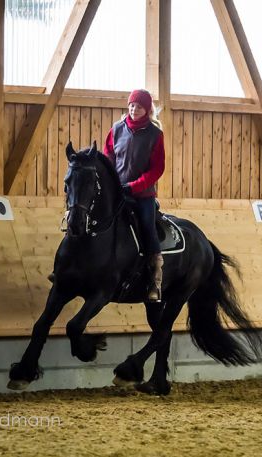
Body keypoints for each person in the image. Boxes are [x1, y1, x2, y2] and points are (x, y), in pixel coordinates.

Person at [103, 89, 165, 302]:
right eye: (131, 105)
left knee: (147, 226)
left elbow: (157, 169)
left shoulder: (155, 135)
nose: (133, 109)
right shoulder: (116, 129)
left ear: (147, 110)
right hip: (117, 190)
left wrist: (135, 186)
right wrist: (112, 182)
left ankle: (155, 278)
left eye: (138, 106)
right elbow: (108, 156)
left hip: (142, 195)